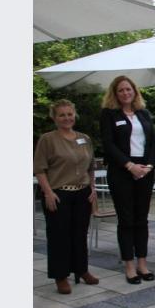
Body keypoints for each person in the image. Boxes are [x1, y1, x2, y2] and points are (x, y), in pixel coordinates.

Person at [34, 100, 99, 294]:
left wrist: (93, 188)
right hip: (58, 194)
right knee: (59, 236)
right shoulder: (47, 139)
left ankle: (82, 269)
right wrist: (48, 192)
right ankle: (60, 276)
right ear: (54, 118)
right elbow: (39, 169)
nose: (67, 118)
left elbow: (91, 166)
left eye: (70, 114)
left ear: (74, 115)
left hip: (82, 194)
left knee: (80, 234)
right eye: (62, 115)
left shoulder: (84, 138)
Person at [100, 76, 155, 284]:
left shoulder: (143, 113)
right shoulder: (109, 114)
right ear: (115, 94)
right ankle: (129, 266)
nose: (126, 93)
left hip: (144, 170)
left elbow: (153, 142)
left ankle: (142, 262)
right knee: (126, 220)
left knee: (141, 219)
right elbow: (108, 145)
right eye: (121, 90)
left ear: (135, 91)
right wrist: (129, 166)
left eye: (129, 89)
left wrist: (149, 166)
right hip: (122, 172)